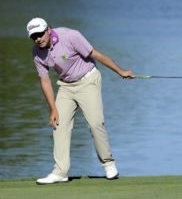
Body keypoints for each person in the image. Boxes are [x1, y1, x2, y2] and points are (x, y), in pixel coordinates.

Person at [26, 17, 134, 185]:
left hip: (88, 80)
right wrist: (53, 108)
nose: (38, 39)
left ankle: (108, 164)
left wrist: (120, 71)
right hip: (66, 86)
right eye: (34, 36)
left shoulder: (70, 36)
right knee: (58, 124)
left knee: (95, 123)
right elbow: (45, 81)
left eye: (40, 34)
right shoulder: (37, 52)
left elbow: (96, 55)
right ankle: (60, 172)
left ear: (48, 29)